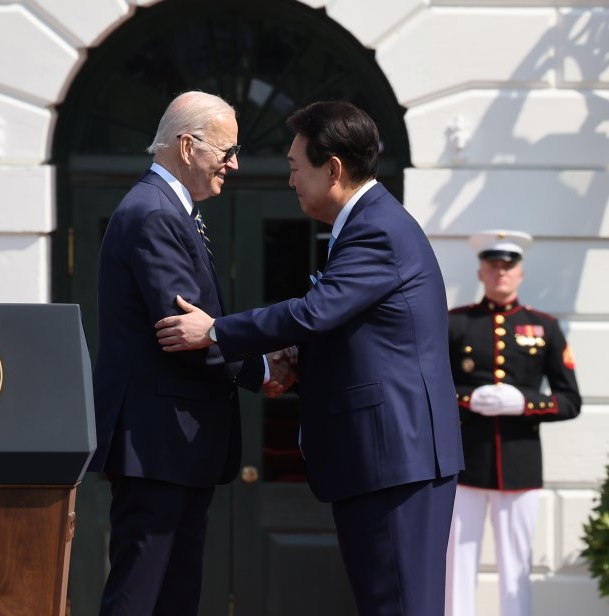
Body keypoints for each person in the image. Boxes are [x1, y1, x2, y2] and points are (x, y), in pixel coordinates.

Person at [155, 100, 464, 615]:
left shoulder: (377, 230)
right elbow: (348, 323)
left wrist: (214, 331)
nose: (291, 180)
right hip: (385, 459)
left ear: (334, 169)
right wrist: (297, 355)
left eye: (296, 167)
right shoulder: (365, 225)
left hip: (396, 460)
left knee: (401, 605)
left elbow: (317, 310)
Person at [89, 90, 293, 616]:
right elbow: (183, 332)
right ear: (187, 146)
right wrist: (264, 367)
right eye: (226, 151)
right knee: (143, 593)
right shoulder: (154, 213)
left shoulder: (168, 210)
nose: (235, 163)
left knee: (173, 593)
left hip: (173, 443)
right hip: (158, 442)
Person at [444, 230, 581, 616]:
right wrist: (469, 399)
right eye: (493, 265)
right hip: (465, 460)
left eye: (508, 265)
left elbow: (570, 400)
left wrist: (525, 402)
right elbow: (430, 388)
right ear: (480, 271)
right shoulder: (456, 324)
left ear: (520, 273)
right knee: (458, 563)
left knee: (517, 568)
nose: (500, 272)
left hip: (519, 464)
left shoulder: (545, 327)